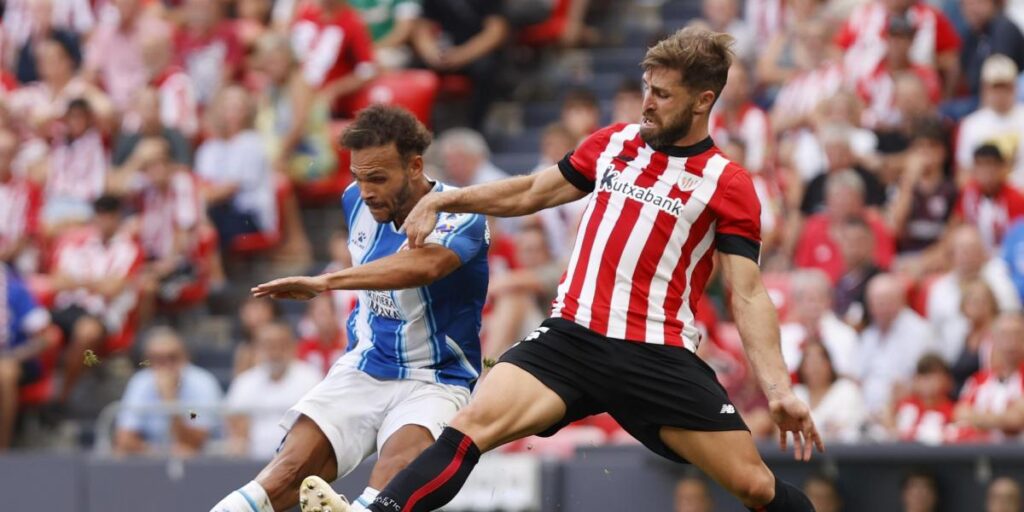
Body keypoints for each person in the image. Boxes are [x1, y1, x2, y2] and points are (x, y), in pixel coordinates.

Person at [323, 27, 821, 512]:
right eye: (648, 88)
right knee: (469, 426)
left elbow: (749, 294)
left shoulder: (727, 183)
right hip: (570, 339)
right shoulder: (615, 143)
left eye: (663, 95)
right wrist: (446, 199)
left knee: (755, 486)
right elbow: (531, 192)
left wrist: (779, 390)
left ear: (702, 100)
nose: (647, 103)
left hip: (655, 354)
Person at [209, 104, 490, 512]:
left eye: (378, 178)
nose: (366, 191)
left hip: (435, 380)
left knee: (388, 484)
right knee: (277, 479)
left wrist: (326, 282)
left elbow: (422, 266)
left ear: (414, 166)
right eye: (358, 177)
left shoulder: (460, 212)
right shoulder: (354, 201)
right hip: (363, 366)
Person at [49, 195, 142, 403]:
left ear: (118, 218)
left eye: (109, 215)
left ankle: (61, 397)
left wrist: (78, 282)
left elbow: (112, 289)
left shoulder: (129, 249)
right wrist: (96, 283)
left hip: (103, 315)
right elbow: (56, 281)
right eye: (100, 215)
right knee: (35, 326)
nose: (104, 220)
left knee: (86, 332)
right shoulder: (77, 243)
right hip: (67, 308)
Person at [114, 328, 223, 457]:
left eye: (172, 358)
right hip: (153, 463)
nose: (165, 365)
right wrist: (157, 453)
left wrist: (170, 402)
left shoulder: (203, 382)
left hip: (204, 463)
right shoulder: (140, 382)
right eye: (157, 359)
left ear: (186, 357)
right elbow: (124, 439)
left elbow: (195, 443)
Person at [195, 86, 277, 249]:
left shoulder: (252, 143)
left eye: (236, 108)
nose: (230, 114)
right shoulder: (210, 147)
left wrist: (197, 201)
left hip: (249, 217)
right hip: (217, 210)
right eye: (226, 107)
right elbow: (201, 183)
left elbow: (230, 189)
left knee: (206, 221)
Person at [927, 225, 1021, 363]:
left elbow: (1013, 319)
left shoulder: (999, 276)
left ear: (983, 252)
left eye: (972, 250)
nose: (968, 256)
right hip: (950, 358)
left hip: (994, 355)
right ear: (951, 255)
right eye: (963, 251)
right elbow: (933, 332)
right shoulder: (939, 289)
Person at [225, 323, 321, 459]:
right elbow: (236, 426)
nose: (275, 352)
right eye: (268, 345)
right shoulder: (244, 382)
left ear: (292, 346)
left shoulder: (310, 378)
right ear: (258, 348)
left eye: (281, 345)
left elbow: (315, 425)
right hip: (252, 461)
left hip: (299, 459)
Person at [253, 33, 336, 184]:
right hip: (284, 153)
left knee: (267, 176)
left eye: (276, 61)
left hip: (308, 154)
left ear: (289, 60)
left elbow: (299, 127)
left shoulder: (299, 82)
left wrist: (278, 159)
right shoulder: (271, 87)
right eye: (268, 62)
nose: (271, 67)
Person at [411, 0, 508, 128]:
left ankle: (476, 128)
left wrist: (462, 55)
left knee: (486, 70)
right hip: (444, 52)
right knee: (414, 71)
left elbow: (496, 31)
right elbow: (422, 28)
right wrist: (431, 54)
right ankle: (420, 129)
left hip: (476, 53)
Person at [859, 273, 935, 416]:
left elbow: (929, 378)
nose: (881, 308)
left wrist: (908, 388)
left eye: (887, 301)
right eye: (877, 302)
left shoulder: (920, 332)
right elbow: (858, 376)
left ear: (901, 301)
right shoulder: (868, 334)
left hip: (906, 407)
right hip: (866, 409)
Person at [290, 0, 377, 116]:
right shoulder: (306, 12)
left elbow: (368, 70)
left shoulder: (353, 23)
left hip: (323, 101)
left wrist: (334, 90)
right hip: (293, 90)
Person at [0, 266, 51, 450]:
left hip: (16, 358)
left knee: (5, 372)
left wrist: (13, 357)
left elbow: (46, 338)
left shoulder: (15, 290)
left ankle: (3, 449)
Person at [953, 313, 1024, 442]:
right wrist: (1003, 419)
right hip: (981, 454)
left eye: (1017, 335)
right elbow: (960, 414)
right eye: (1005, 335)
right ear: (994, 340)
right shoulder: (978, 380)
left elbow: (1017, 420)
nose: (1011, 342)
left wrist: (977, 418)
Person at [955, 56, 1024, 186]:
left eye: (1005, 87)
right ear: (985, 88)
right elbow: (964, 173)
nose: (1001, 93)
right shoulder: (971, 124)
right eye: (996, 87)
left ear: (1014, 87)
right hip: (986, 197)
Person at [779, 269, 860, 378]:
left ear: (829, 301)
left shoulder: (846, 335)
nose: (814, 305)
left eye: (820, 298)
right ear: (796, 302)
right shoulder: (784, 335)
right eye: (808, 299)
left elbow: (849, 373)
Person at [793, 342, 868, 442]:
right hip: (797, 456)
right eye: (809, 362)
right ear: (802, 367)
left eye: (819, 361)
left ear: (829, 364)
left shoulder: (845, 389)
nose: (814, 367)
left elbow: (852, 430)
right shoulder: (795, 393)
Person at [955, 143, 1024, 250]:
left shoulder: (1016, 198)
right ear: (973, 169)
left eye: (991, 165)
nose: (986, 172)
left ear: (1002, 168)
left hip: (1003, 256)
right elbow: (954, 226)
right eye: (981, 165)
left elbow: (1019, 237)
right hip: (974, 256)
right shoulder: (968, 193)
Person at [891, 354, 955, 444]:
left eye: (933, 375)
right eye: (923, 375)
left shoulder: (952, 411)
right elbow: (890, 430)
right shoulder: (907, 403)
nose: (927, 382)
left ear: (947, 380)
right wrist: (891, 401)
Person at [833, 217, 882, 328]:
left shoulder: (879, 281)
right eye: (849, 240)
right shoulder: (838, 282)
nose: (854, 246)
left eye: (860, 240)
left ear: (872, 243)